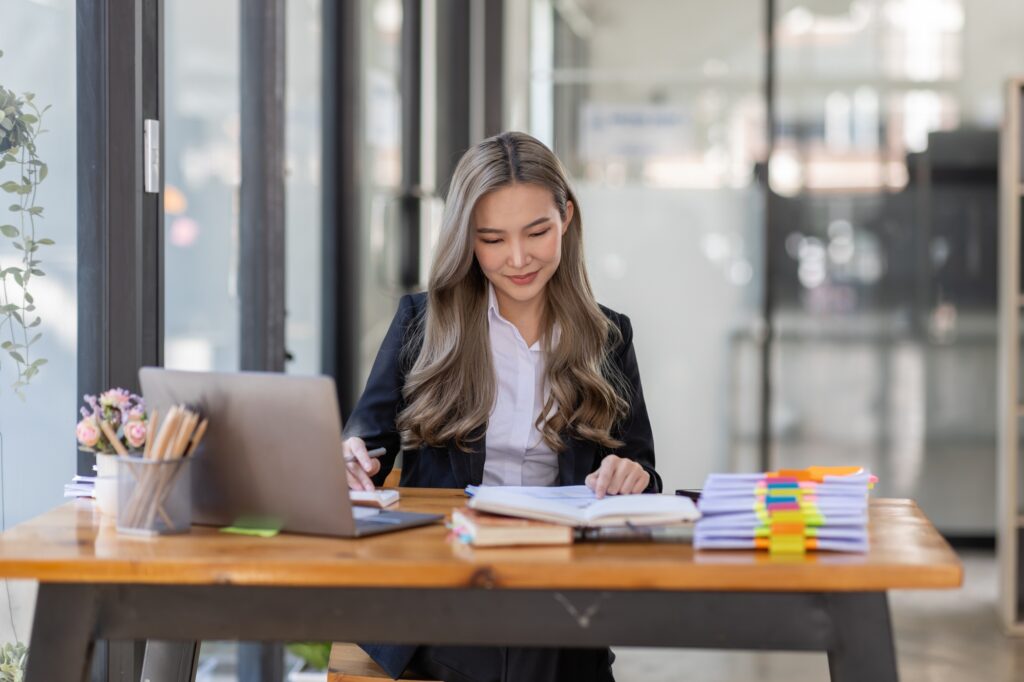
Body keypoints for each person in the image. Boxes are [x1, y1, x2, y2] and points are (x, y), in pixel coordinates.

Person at [342, 131, 661, 682]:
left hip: (558, 582)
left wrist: (628, 473)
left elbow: (646, 475)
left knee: (530, 637)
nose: (517, 259)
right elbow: (367, 440)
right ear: (467, 239)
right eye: (492, 239)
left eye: (537, 232)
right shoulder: (424, 324)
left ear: (567, 218)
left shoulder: (608, 337)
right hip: (450, 581)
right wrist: (353, 458)